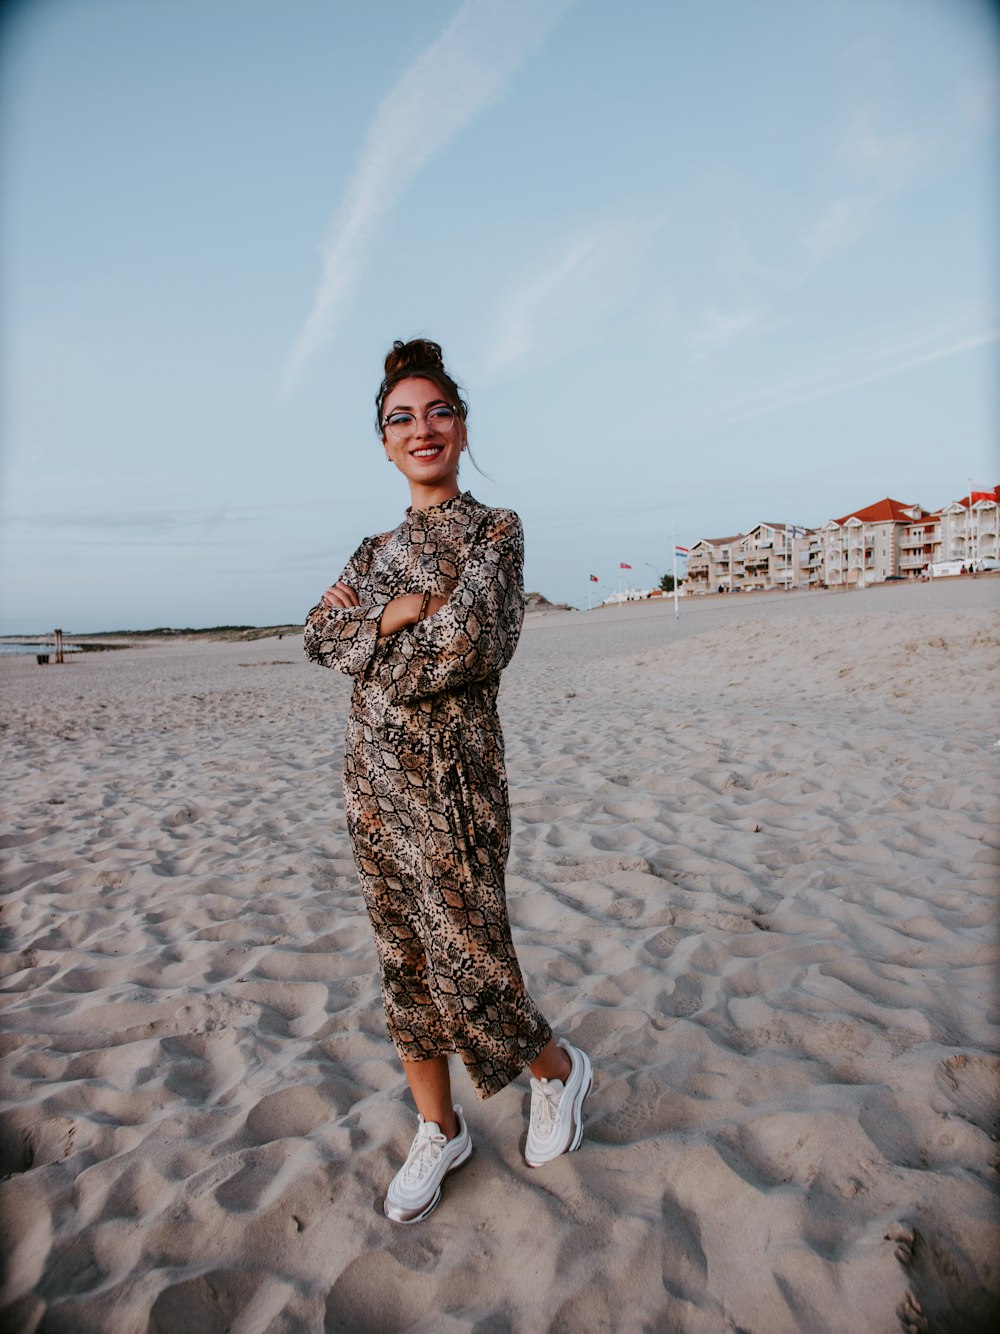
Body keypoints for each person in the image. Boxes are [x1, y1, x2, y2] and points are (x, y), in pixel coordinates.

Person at [304, 338, 592, 1224]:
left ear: (460, 428)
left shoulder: (492, 532)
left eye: (436, 412)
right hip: (372, 783)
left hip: (456, 782)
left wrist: (377, 647)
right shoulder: (372, 550)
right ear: (384, 443)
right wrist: (397, 611)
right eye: (401, 418)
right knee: (406, 966)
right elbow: (318, 636)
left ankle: (557, 1071)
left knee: (472, 962)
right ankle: (440, 1127)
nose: (421, 428)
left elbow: (471, 647)